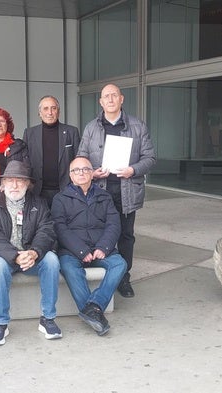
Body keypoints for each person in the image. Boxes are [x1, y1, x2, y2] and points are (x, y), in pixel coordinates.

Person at [77, 84, 156, 298]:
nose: (110, 99)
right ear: (101, 102)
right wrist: (92, 172)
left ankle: (123, 278)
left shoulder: (138, 126)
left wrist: (133, 169)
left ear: (121, 99)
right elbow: (80, 157)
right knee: (97, 233)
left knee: (125, 236)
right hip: (98, 192)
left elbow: (150, 158)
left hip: (126, 191)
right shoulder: (91, 128)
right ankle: (100, 273)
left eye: (114, 95)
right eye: (106, 96)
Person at [0, 160, 62, 345]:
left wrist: (34, 252)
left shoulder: (39, 204)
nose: (14, 185)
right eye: (10, 180)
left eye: (19, 180)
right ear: (2, 185)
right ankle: (0, 323)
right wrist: (15, 256)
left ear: (27, 184)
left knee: (52, 260)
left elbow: (46, 230)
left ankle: (48, 318)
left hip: (31, 258)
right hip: (4, 258)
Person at [51, 157, 127, 336]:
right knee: (68, 267)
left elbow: (114, 224)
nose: (82, 173)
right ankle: (95, 313)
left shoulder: (104, 196)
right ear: (70, 175)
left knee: (120, 264)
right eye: (76, 170)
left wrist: (104, 247)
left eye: (86, 169)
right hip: (72, 251)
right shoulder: (60, 198)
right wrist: (81, 250)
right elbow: (59, 227)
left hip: (101, 249)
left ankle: (93, 306)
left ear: (92, 173)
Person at [23, 95, 80, 207]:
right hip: (37, 192)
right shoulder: (30, 133)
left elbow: (78, 159)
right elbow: (25, 162)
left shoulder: (71, 132)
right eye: (45, 108)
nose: (50, 112)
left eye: (53, 108)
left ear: (58, 112)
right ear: (39, 113)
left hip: (65, 190)